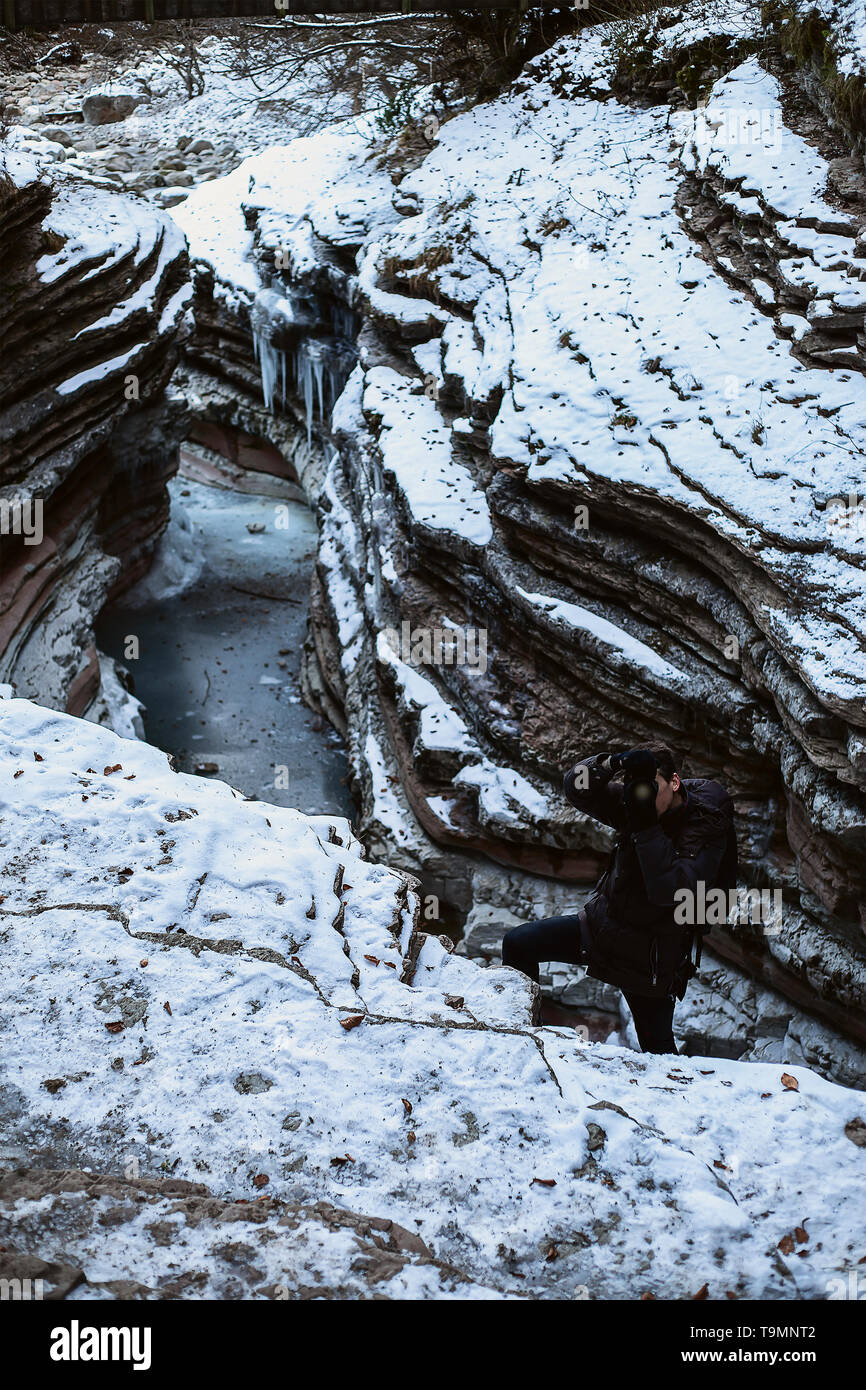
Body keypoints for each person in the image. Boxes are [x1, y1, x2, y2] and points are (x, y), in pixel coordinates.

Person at [501, 743, 737, 1054]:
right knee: (518, 944)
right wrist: (613, 763)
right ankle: (523, 1042)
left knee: (659, 1052)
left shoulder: (705, 826)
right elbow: (576, 787)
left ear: (675, 782)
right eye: (641, 787)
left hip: (650, 960)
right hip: (602, 930)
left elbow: (666, 890)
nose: (647, 796)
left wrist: (644, 824)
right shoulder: (636, 799)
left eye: (655, 787)